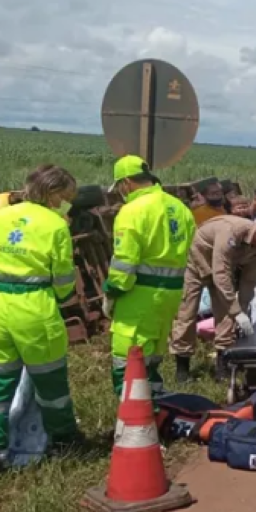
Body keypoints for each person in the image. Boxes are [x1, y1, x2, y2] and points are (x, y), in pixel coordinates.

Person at [0, 164, 83, 468]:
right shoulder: (55, 224)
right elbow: (63, 277)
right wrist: (63, 297)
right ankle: (63, 440)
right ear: (52, 193)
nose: (66, 202)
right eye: (65, 196)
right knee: (51, 382)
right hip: (35, 308)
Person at [104, 155, 195, 400]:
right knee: (153, 354)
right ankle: (158, 409)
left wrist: (112, 292)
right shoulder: (179, 207)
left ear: (126, 183)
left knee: (128, 357)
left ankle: (134, 419)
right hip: (172, 294)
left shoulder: (132, 211)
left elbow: (124, 264)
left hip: (140, 296)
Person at [170, 213, 256, 381]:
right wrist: (235, 309)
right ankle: (182, 368)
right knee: (187, 312)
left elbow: (249, 279)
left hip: (225, 266)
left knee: (227, 314)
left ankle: (223, 367)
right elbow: (221, 273)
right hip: (200, 258)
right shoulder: (233, 231)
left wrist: (242, 310)